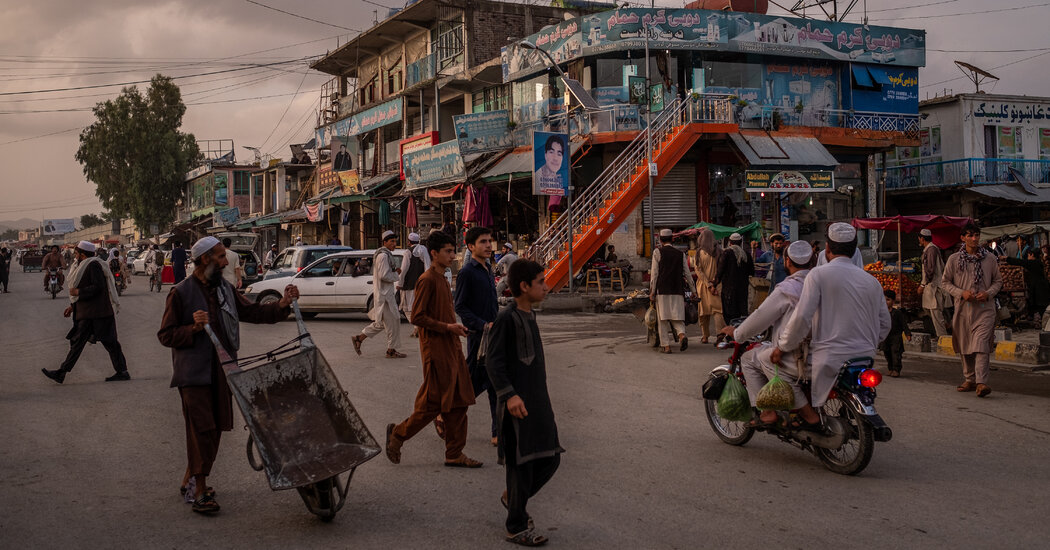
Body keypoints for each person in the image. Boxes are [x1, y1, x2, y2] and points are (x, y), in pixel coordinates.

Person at [157, 236, 297, 514]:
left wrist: (282, 304)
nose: (225, 262)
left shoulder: (225, 289)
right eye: (221, 257)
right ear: (205, 259)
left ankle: (191, 477)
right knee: (202, 429)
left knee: (216, 427)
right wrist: (192, 329)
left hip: (223, 371)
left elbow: (253, 312)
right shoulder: (180, 293)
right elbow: (166, 335)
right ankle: (199, 491)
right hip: (193, 374)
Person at [385, 231, 482, 468]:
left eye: (453, 251)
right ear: (434, 253)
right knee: (432, 404)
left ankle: (454, 453)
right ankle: (398, 434)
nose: (452, 256)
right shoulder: (427, 279)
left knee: (460, 400)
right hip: (435, 350)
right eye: (448, 252)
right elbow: (417, 317)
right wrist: (448, 327)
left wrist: (455, 329)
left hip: (451, 347)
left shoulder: (442, 279)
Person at [485, 259, 564, 547]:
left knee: (551, 457)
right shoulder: (506, 319)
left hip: (538, 401)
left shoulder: (530, 315)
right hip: (516, 405)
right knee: (521, 465)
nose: (546, 286)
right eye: (541, 282)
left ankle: (513, 499)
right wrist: (510, 395)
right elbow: (493, 363)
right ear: (524, 286)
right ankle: (516, 526)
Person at [771, 223, 890, 411]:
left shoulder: (817, 275)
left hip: (829, 359)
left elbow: (802, 318)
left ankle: (806, 416)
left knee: (770, 363)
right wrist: (868, 342)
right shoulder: (872, 281)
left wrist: (783, 346)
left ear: (827, 249)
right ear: (854, 250)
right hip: (865, 357)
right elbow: (885, 324)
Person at [721, 240, 819, 430]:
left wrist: (738, 333)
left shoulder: (787, 289)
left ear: (787, 261)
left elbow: (760, 317)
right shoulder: (820, 284)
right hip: (824, 349)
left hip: (798, 352)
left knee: (749, 358)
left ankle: (768, 412)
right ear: (813, 261)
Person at [42, 241, 130, 384]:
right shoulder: (84, 265)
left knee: (110, 343)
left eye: (77, 253)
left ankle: (122, 371)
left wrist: (78, 292)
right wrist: (72, 306)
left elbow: (98, 287)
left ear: (83, 254)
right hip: (89, 313)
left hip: (98, 313)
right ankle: (61, 372)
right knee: (79, 343)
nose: (75, 256)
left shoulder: (93, 265)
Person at [941, 222, 1003, 397]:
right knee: (965, 344)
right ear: (963, 238)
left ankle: (982, 382)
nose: (974, 239)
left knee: (981, 344)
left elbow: (998, 281)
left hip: (985, 309)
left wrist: (988, 293)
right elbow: (945, 282)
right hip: (963, 308)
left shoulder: (990, 258)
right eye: (970, 235)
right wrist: (961, 293)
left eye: (977, 235)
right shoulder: (954, 259)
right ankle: (970, 379)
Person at [454, 226, 500, 446]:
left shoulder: (488, 269)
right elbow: (460, 307)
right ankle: (446, 413)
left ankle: (497, 432)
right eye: (483, 241)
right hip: (477, 337)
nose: (489, 245)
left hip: (493, 336)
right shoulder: (467, 272)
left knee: (495, 384)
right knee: (471, 385)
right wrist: (482, 324)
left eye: (489, 241)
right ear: (471, 246)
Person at [352, 230, 405, 358]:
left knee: (383, 323)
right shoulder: (383, 256)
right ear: (385, 242)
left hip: (385, 294)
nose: (394, 244)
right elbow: (384, 275)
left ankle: (360, 338)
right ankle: (390, 350)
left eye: (395, 241)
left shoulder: (385, 255)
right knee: (394, 320)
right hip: (385, 296)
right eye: (391, 241)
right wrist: (396, 274)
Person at [650, 228, 692, 353]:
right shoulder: (680, 254)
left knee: (662, 319)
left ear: (660, 240)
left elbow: (654, 274)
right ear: (672, 239)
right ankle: (682, 335)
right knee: (677, 317)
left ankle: (666, 346)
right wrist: (693, 290)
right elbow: (687, 274)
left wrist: (652, 291)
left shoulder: (657, 252)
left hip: (662, 290)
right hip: (678, 289)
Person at [713, 232, 754, 324]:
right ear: (740, 242)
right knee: (741, 313)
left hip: (728, 290)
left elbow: (720, 271)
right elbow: (752, 271)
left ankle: (731, 330)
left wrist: (714, 285)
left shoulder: (726, 253)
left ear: (730, 242)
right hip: (743, 290)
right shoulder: (746, 255)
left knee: (729, 314)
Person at [917, 228, 949, 337]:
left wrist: (923, 285)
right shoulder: (930, 249)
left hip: (934, 285)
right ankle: (946, 325)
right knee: (927, 309)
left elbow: (930, 270)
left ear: (922, 239)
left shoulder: (931, 249)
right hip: (930, 286)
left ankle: (942, 337)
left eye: (919, 239)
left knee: (935, 312)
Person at [693, 228, 723, 343]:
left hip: (703, 286)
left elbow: (698, 271)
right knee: (718, 311)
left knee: (703, 312)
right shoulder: (719, 252)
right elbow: (721, 269)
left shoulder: (699, 253)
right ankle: (720, 334)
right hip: (717, 285)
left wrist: (708, 284)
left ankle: (705, 336)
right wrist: (714, 284)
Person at [1004, 248, 1050, 323]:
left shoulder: (1034, 263)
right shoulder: (1038, 263)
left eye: (1028, 254)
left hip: (1040, 290)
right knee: (1038, 306)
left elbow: (1021, 262)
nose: (1028, 256)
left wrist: (1007, 259)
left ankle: (1044, 322)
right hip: (1039, 289)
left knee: (1042, 308)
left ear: (1032, 255)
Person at [398, 232, 430, 338]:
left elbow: (404, 269)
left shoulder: (408, 252)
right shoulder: (423, 250)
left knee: (407, 308)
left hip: (409, 284)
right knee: (418, 307)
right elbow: (428, 266)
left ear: (409, 242)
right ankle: (417, 328)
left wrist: (400, 283)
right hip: (421, 284)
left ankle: (418, 327)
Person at [881, 289, 912, 377]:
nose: (886, 302)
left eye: (888, 300)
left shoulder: (897, 313)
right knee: (887, 353)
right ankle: (890, 368)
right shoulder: (882, 313)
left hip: (896, 337)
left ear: (893, 301)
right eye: (884, 300)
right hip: (885, 336)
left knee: (896, 353)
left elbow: (903, 324)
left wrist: (907, 334)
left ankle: (896, 369)